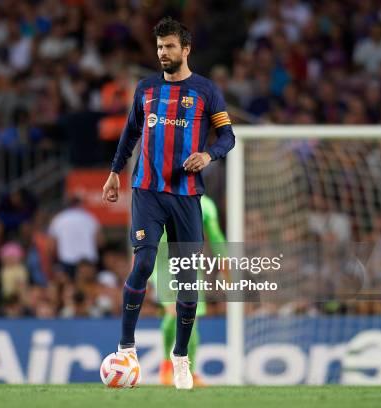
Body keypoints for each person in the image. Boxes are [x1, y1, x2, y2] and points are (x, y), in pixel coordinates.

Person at [102, 16, 235, 389]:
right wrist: (114, 172)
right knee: (143, 261)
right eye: (160, 47)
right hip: (147, 191)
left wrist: (208, 156)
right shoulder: (145, 90)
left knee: (188, 283)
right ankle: (126, 348)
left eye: (170, 46)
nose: (163, 52)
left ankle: (180, 358)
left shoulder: (206, 92)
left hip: (187, 195)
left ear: (186, 49)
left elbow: (228, 136)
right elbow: (130, 133)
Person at [151, 194, 227, 386]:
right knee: (173, 313)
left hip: (190, 266)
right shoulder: (160, 196)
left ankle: (188, 372)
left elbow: (216, 237)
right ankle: (167, 364)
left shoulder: (206, 204)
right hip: (162, 265)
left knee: (191, 319)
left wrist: (226, 265)